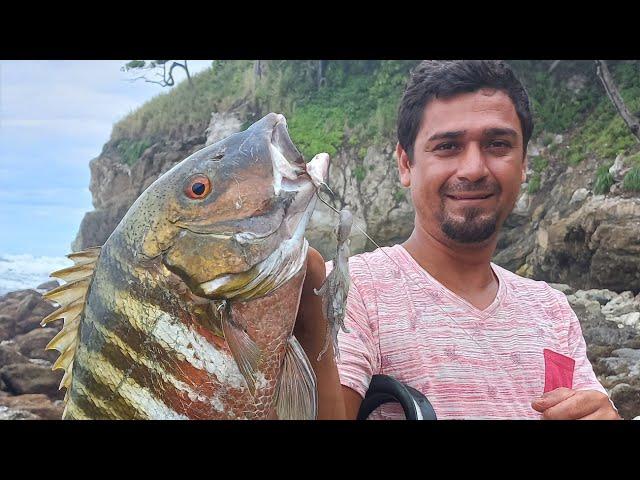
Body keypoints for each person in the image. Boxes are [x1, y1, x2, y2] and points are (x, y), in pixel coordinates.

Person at [294, 60, 621, 420]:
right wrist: (312, 319)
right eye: (448, 146)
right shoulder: (349, 292)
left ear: (524, 161)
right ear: (406, 163)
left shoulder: (554, 311)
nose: (473, 169)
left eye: (497, 144)